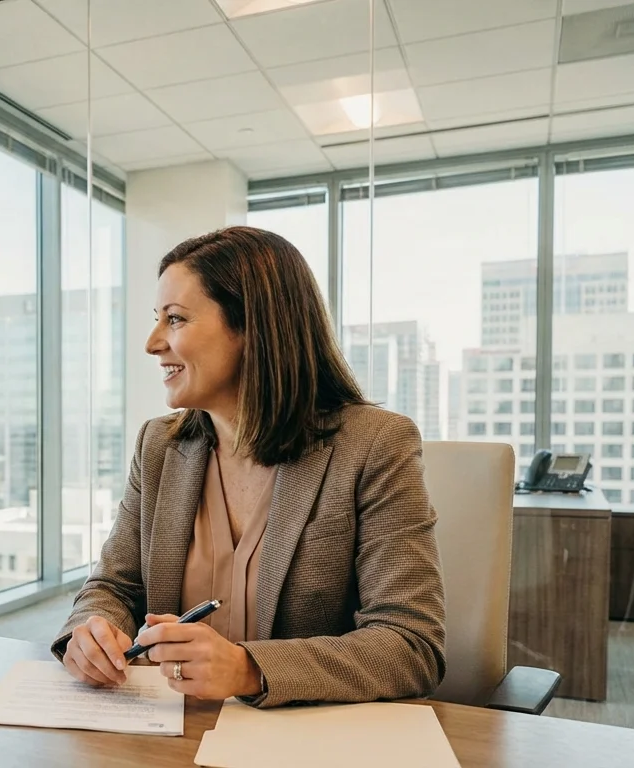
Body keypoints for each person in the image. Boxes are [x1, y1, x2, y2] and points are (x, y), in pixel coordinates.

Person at [54, 226, 445, 708]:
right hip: (168, 734)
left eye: (174, 320)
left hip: (306, 741)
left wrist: (248, 668)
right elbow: (114, 585)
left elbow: (410, 644)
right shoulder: (158, 445)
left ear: (254, 327)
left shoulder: (374, 446)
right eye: (157, 319)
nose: (152, 343)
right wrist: (92, 630)